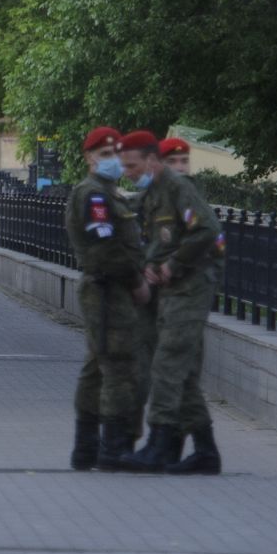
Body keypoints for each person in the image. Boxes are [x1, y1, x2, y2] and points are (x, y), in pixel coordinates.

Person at [119, 129, 226, 475]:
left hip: (190, 289)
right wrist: (153, 266)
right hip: (172, 291)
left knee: (166, 366)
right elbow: (159, 242)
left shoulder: (179, 189)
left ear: (152, 160)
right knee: (184, 374)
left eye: (132, 165)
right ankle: (205, 451)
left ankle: (159, 444)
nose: (128, 172)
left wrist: (173, 265)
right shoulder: (155, 193)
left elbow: (207, 229)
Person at [64, 127, 152, 473]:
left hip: (109, 289)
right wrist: (136, 282)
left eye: (117, 154)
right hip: (107, 290)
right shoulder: (93, 196)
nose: (114, 160)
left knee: (97, 367)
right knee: (118, 366)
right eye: (106, 154)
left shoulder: (107, 193)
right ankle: (114, 449)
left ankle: (86, 450)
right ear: (89, 158)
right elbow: (105, 249)